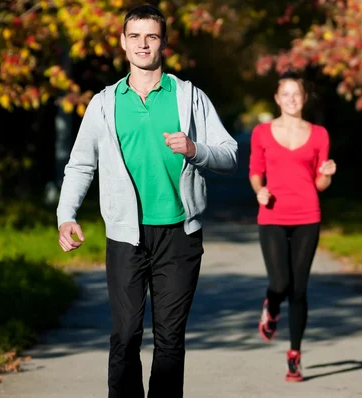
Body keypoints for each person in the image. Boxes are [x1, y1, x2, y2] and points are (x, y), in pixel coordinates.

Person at [56, 5, 237, 398]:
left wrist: (195, 149)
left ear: (164, 43)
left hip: (179, 235)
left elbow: (229, 153)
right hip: (126, 237)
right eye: (135, 36)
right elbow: (81, 165)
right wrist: (65, 214)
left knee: (170, 340)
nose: (143, 44)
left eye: (151, 36)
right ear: (123, 43)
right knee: (125, 335)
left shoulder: (188, 97)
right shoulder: (104, 103)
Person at [248, 72, 337, 382]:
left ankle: (294, 355)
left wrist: (327, 173)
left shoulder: (319, 135)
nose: (290, 99)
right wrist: (259, 189)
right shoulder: (261, 132)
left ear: (304, 97)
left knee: (299, 289)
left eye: (295, 94)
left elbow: (320, 183)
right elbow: (255, 171)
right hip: (271, 214)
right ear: (277, 98)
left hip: (307, 215)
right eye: (285, 94)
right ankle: (271, 307)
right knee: (281, 282)